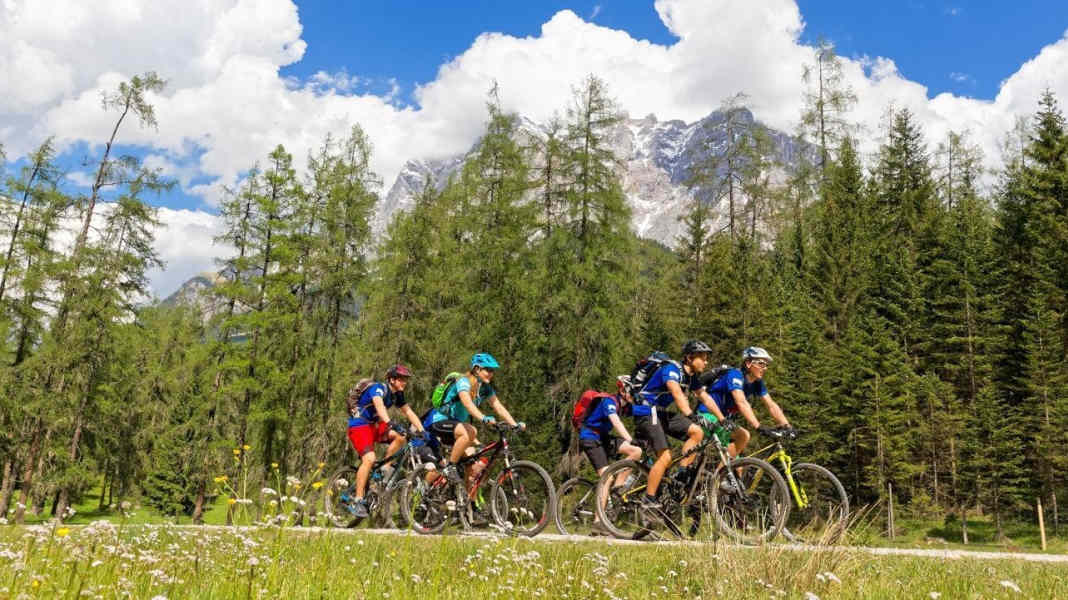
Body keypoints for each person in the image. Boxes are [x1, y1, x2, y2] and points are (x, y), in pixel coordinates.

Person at [632, 340, 720, 512]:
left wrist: (722, 419)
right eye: (702, 357)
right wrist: (690, 415)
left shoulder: (691, 377)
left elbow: (705, 397)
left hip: (660, 413)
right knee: (665, 457)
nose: (706, 361)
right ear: (689, 358)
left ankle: (681, 473)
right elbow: (676, 393)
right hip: (646, 412)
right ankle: (648, 502)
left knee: (696, 432)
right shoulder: (671, 370)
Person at [423, 353, 525, 488]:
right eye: (488, 370)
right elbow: (467, 403)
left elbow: (498, 407)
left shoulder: (485, 388)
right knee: (471, 431)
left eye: (492, 371)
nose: (491, 373)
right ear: (477, 369)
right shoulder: (463, 381)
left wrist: (514, 424)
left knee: (474, 463)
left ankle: (468, 504)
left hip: (456, 428)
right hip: (438, 421)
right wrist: (483, 418)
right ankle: (436, 477)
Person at [346, 364, 425, 518]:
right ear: (392, 379)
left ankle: (384, 470)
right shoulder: (378, 388)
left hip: (375, 425)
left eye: (406, 380)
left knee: (400, 436)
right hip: (360, 425)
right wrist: (389, 422)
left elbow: (409, 412)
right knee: (369, 459)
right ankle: (358, 499)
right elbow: (379, 405)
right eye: (401, 379)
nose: (404, 383)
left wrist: (422, 431)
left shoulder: (397, 395)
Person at [698, 346, 791, 458]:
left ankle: (723, 474)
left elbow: (771, 404)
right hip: (707, 414)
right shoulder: (735, 375)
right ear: (748, 363)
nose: (765, 368)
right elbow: (741, 402)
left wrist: (787, 425)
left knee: (739, 467)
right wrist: (758, 426)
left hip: (724, 421)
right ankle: (723, 473)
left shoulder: (757, 383)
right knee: (743, 436)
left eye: (766, 365)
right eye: (761, 363)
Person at [578, 376, 642, 533]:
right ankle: (597, 521)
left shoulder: (623, 405)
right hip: (590, 438)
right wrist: (630, 439)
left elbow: (642, 410)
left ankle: (618, 487)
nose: (634, 394)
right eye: (632, 391)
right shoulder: (609, 401)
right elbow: (616, 422)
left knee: (636, 451)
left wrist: (655, 410)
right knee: (607, 477)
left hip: (603, 438)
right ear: (622, 390)